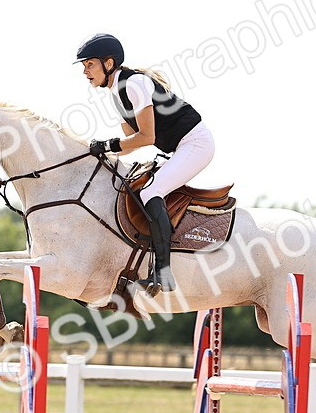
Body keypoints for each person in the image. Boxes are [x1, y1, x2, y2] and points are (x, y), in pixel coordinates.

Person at [76, 33, 215, 293]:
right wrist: (96, 153)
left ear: (108, 63)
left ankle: (163, 273)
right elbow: (130, 139)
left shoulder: (133, 84)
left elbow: (146, 137)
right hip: (180, 147)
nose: (85, 72)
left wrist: (108, 145)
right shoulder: (117, 92)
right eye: (84, 67)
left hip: (195, 143)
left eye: (89, 65)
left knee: (151, 190)